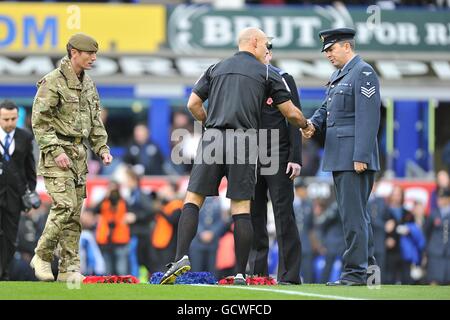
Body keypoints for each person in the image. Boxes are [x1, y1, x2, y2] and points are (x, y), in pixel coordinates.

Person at [159, 27, 311, 285]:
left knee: (192, 199)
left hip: (213, 139)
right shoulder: (267, 72)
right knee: (241, 207)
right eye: (265, 45)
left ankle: (180, 257)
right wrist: (306, 124)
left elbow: (192, 104)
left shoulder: (215, 68)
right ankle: (241, 273)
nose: (267, 50)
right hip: (244, 140)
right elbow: (290, 113)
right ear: (254, 43)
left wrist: (210, 124)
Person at [30, 33, 113, 282]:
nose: (94, 58)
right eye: (89, 53)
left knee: (75, 214)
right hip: (57, 156)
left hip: (79, 156)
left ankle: (68, 267)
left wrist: (102, 148)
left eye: (95, 54)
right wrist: (56, 151)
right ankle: (42, 256)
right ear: (74, 52)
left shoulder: (89, 84)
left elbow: (96, 122)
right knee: (64, 206)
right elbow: (39, 122)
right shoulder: (52, 82)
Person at [302, 28, 381, 286]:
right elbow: (328, 106)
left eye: (331, 49)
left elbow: (369, 118)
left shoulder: (363, 72)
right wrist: (313, 123)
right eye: (326, 50)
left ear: (346, 46)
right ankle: (368, 272)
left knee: (353, 217)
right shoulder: (339, 74)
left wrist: (362, 155)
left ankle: (355, 274)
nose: (327, 54)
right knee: (356, 216)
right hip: (341, 155)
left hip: (353, 157)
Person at [248, 47, 302, 285]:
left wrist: (295, 157)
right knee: (254, 216)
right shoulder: (246, 79)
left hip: (278, 156)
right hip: (250, 155)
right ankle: (257, 274)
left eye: (266, 52)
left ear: (269, 55)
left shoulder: (284, 78)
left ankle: (289, 275)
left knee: (283, 216)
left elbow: (294, 118)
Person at [0, 100, 37, 280]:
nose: (9, 123)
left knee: (10, 237)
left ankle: (4, 274)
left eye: (13, 118)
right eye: (6, 119)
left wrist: (31, 191)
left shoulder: (25, 136)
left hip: (14, 197)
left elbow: (30, 169)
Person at [424, 187, 450, 285]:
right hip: (435, 252)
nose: (440, 200)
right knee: (434, 281)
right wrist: (429, 247)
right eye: (439, 197)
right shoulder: (434, 214)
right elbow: (426, 230)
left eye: (443, 198)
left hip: (448, 253)